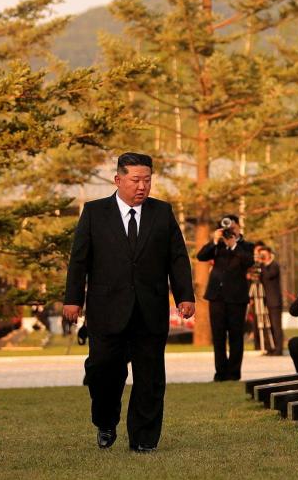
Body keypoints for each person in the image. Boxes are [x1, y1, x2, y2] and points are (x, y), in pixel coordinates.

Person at [62, 152, 195, 452]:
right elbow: (79, 260)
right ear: (118, 179)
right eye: (135, 180)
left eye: (147, 180)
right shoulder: (95, 212)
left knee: (150, 377)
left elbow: (177, 257)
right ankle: (105, 421)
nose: (142, 186)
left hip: (150, 309)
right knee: (103, 371)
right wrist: (73, 299)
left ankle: (144, 439)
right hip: (106, 310)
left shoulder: (162, 212)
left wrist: (185, 295)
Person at [195, 212, 255, 382]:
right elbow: (201, 256)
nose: (229, 230)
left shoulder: (246, 246)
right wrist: (214, 240)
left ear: (238, 227)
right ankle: (220, 373)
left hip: (237, 298)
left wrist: (234, 245)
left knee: (236, 336)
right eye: (227, 227)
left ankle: (234, 373)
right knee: (218, 336)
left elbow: (249, 262)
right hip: (217, 297)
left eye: (232, 227)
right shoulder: (218, 246)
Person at [253, 243, 284, 356]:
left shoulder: (274, 266)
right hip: (264, 300)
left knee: (276, 326)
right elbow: (256, 277)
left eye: (264, 255)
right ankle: (270, 347)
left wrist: (262, 264)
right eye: (261, 255)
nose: (262, 257)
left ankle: (278, 349)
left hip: (274, 301)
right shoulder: (262, 267)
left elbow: (268, 275)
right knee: (268, 326)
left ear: (270, 254)